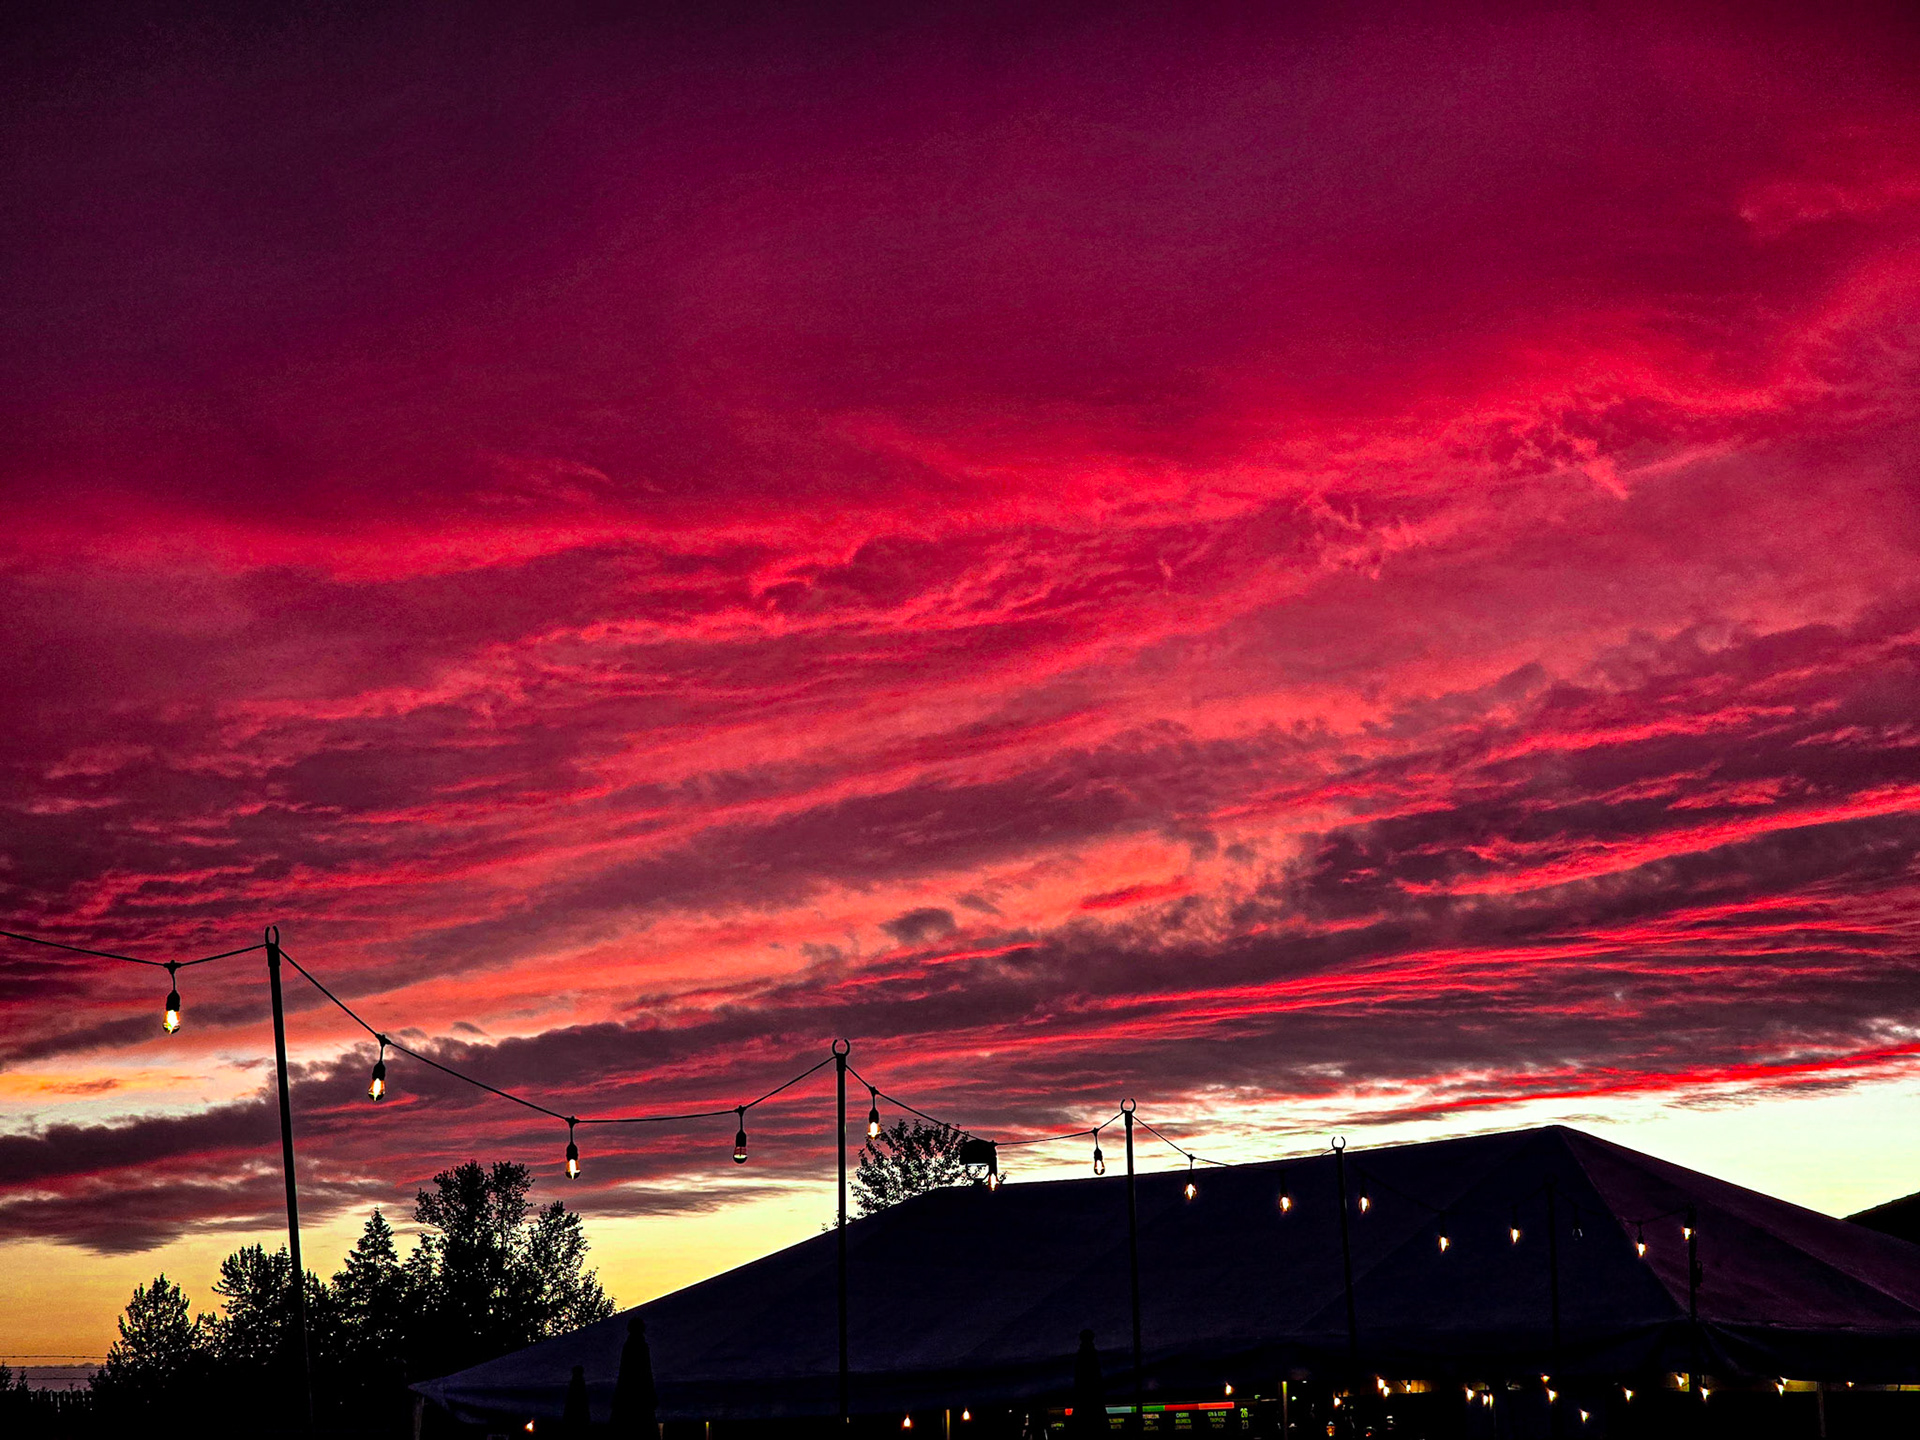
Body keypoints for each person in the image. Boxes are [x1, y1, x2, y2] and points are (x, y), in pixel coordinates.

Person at [611, 1313, 660, 1439]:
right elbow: (645, 1372)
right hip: (638, 1396)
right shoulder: (637, 1346)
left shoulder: (632, 1346)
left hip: (632, 1395)